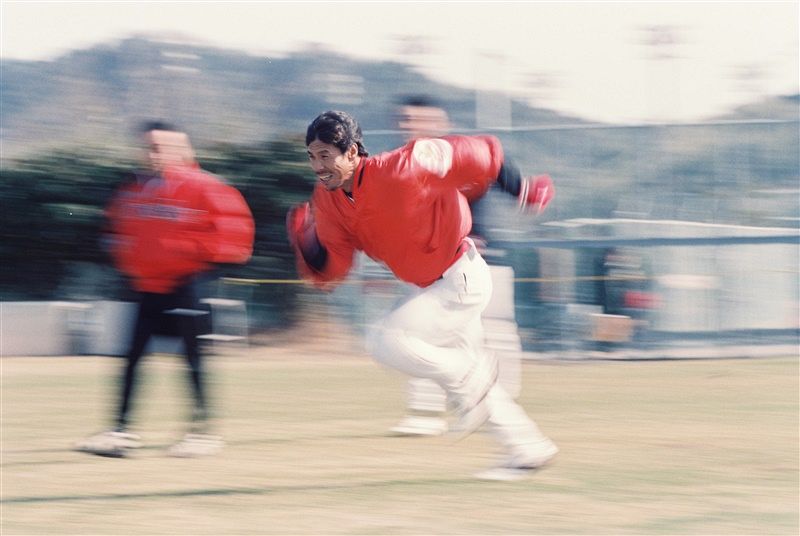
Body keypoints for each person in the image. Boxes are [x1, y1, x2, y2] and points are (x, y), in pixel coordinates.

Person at [287, 110, 556, 480]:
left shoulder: (404, 166)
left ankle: (472, 378)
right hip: (430, 288)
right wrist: (309, 247)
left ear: (352, 152)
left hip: (461, 277)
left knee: (388, 341)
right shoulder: (329, 199)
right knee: (466, 384)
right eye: (312, 157)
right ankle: (527, 448)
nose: (318, 165)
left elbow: (483, 153)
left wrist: (521, 188)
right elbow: (335, 268)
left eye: (325, 155)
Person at [76, 121, 255, 458]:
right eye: (147, 147)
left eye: (159, 147)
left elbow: (234, 239)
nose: (151, 154)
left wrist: (185, 258)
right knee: (131, 358)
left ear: (182, 149)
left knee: (191, 358)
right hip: (148, 287)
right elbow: (118, 229)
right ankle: (121, 431)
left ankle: (203, 432)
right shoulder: (134, 190)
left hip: (188, 283)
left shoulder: (205, 188)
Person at [387, 95, 525, 437]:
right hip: (431, 266)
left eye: (419, 120)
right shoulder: (398, 165)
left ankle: (500, 401)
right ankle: (426, 413)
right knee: (421, 335)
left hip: (480, 260)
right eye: (405, 120)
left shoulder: (462, 151)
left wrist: (524, 190)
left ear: (440, 123)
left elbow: (498, 165)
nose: (410, 126)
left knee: (497, 334)